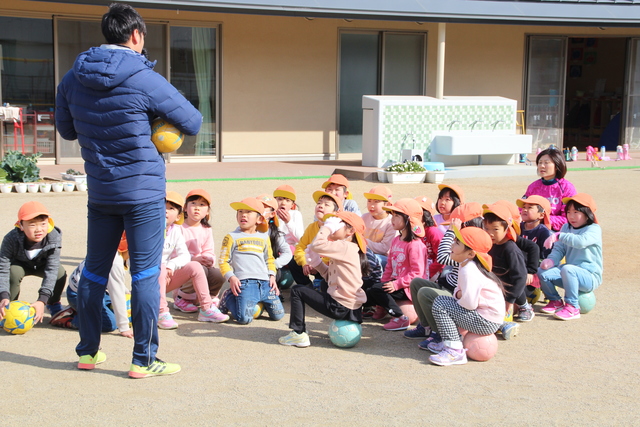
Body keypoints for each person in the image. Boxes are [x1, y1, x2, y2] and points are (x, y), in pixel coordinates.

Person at [56, 3, 201, 377]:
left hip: (101, 191)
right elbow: (193, 121)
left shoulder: (72, 77)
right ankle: (144, 360)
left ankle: (87, 352)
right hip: (142, 193)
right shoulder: (142, 75)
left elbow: (68, 131)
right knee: (144, 275)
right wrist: (153, 118)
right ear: (135, 35)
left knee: (93, 273)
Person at [279, 212, 369, 347]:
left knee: (297, 290)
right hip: (350, 308)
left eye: (336, 224)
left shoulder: (345, 247)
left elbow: (317, 245)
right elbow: (329, 276)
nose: (331, 226)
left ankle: (298, 334)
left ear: (350, 231)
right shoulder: (346, 247)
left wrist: (326, 228)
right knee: (322, 283)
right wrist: (317, 263)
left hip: (341, 306)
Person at [404, 202, 483, 346]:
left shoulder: (472, 251)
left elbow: (442, 257)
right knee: (416, 283)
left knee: (425, 292)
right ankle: (425, 326)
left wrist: (452, 232)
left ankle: (439, 333)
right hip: (446, 287)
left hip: (455, 297)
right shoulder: (462, 247)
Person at [427, 226, 505, 366]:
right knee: (443, 301)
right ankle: (450, 342)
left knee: (441, 305)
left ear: (470, 254)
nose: (452, 244)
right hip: (485, 317)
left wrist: (458, 297)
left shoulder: (470, 270)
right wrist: (458, 295)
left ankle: (454, 350)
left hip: (486, 322)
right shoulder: (466, 265)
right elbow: (461, 292)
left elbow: (469, 304)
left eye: (457, 243)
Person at [158, 191, 228, 329]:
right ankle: (162, 312)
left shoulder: (175, 230)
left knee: (196, 267)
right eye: (162, 207)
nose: (165, 211)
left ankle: (206, 308)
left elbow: (184, 255)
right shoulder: (148, 228)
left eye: (170, 208)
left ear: (178, 214)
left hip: (169, 275)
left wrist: (170, 266)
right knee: (161, 268)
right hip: (150, 277)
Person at [218, 197, 285, 324]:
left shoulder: (264, 237)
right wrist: (231, 277)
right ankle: (228, 298)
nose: (243, 215)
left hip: (266, 284)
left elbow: (269, 259)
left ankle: (256, 301)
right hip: (245, 283)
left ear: (259, 219)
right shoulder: (231, 237)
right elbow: (223, 261)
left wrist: (272, 276)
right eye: (240, 212)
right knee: (244, 319)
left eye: (249, 212)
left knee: (278, 315)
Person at [0, 201, 67, 325]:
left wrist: (42, 300)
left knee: (59, 272)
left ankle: (53, 303)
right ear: (20, 225)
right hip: (20, 265)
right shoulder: (10, 239)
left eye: (43, 224)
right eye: (32, 225)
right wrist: (3, 295)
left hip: (43, 265)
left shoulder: (54, 237)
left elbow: (51, 269)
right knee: (12, 272)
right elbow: (2, 267)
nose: (39, 229)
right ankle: (8, 306)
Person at [538, 193, 602, 320]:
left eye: (576, 212)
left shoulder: (594, 229)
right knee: (542, 270)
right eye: (568, 212)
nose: (571, 216)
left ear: (587, 213)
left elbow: (581, 241)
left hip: (589, 277)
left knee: (568, 268)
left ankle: (572, 307)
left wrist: (559, 235)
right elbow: (559, 249)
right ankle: (555, 301)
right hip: (569, 274)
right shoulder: (566, 227)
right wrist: (551, 260)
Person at [365, 199, 426, 331]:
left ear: (409, 220)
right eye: (392, 215)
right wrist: (384, 282)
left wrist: (395, 284)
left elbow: (417, 274)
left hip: (409, 288)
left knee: (377, 290)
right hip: (396, 283)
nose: (392, 219)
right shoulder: (396, 240)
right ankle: (382, 307)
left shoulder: (415, 244)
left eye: (397, 216)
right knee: (370, 288)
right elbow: (389, 267)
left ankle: (400, 318)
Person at [52, 254, 132, 338]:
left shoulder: (118, 251)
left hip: (100, 291)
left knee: (129, 311)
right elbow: (116, 293)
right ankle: (70, 318)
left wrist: (127, 292)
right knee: (109, 324)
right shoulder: (115, 262)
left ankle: (83, 311)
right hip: (79, 294)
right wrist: (124, 327)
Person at [175, 189, 225, 311]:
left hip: (201, 266)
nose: (197, 208)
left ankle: (210, 297)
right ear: (185, 208)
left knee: (219, 274)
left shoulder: (206, 229)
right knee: (197, 268)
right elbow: (174, 253)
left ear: (207, 212)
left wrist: (208, 259)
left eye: (202, 205)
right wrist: (194, 259)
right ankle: (182, 298)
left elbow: (209, 250)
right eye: (193, 203)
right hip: (182, 268)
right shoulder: (178, 228)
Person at [482, 204, 527, 340]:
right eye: (486, 229)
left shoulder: (510, 249)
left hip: (507, 294)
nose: (490, 233)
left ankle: (523, 308)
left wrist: (510, 299)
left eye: (495, 229)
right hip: (493, 291)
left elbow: (520, 276)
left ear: (506, 228)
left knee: (499, 323)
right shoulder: (491, 244)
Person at [291, 191, 343, 286]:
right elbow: (300, 247)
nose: (320, 206)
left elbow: (335, 254)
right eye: (319, 203)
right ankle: (307, 286)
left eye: (326, 204)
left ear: (336, 212)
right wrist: (305, 262)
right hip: (312, 263)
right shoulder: (312, 227)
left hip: (328, 268)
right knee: (293, 262)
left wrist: (318, 264)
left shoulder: (339, 230)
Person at [523, 147, 577, 231]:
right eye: (540, 163)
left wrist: (543, 220)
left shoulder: (567, 188)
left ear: (557, 165)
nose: (542, 166)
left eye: (546, 163)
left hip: (556, 232)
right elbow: (522, 210)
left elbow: (569, 218)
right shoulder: (533, 187)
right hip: (532, 228)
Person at [516, 195, 553, 304]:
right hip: (521, 265)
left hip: (536, 267)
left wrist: (532, 270)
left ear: (541, 215)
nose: (525, 210)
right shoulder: (518, 228)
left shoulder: (544, 232)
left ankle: (546, 290)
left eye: (530, 207)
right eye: (524, 207)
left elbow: (546, 257)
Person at [256, 194, 293, 294]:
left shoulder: (275, 233)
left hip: (269, 270)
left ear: (272, 214)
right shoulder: (245, 230)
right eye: (256, 207)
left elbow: (287, 253)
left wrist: (274, 264)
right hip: (250, 269)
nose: (258, 210)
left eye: (263, 207)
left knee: (285, 280)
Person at [362, 186, 396, 270]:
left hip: (381, 257)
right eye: (369, 201)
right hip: (363, 252)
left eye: (376, 202)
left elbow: (384, 248)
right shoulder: (363, 217)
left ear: (387, 204)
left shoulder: (391, 222)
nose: (371, 206)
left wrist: (363, 241)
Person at [414, 196, 444, 280]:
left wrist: (428, 273)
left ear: (425, 215)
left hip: (433, 270)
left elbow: (441, 258)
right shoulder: (412, 230)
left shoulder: (433, 232)